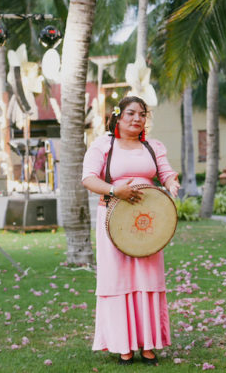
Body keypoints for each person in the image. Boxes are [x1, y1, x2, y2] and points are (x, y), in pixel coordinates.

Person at [82, 96, 180, 365]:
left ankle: (148, 345)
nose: (137, 118)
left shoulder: (152, 146)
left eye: (142, 114)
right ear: (118, 117)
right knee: (118, 279)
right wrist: (115, 190)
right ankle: (122, 345)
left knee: (147, 278)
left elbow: (166, 172)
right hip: (114, 220)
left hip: (148, 221)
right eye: (131, 114)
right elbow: (88, 178)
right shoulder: (103, 144)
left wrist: (171, 183)